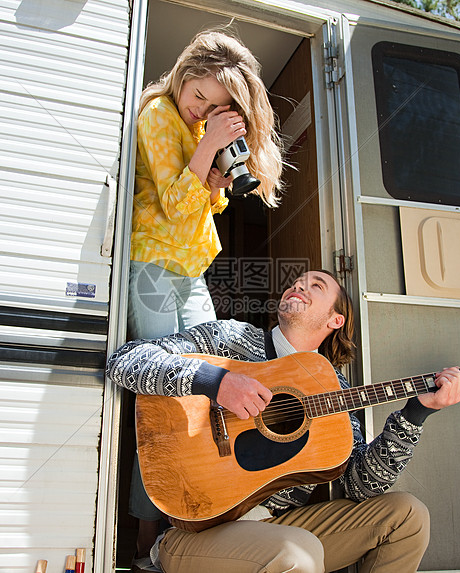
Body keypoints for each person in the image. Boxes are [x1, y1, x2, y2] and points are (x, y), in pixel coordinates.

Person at [107, 270, 460, 573]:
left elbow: (360, 487)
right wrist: (216, 382)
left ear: (335, 320)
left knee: (407, 515)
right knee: (298, 553)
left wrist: (415, 414)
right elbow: (125, 360)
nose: (298, 286)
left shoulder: (335, 391)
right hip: (197, 532)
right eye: (297, 281)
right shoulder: (231, 340)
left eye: (315, 286)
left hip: (279, 525)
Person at [126, 28, 285, 568]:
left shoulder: (195, 128)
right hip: (152, 265)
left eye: (215, 107)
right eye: (199, 96)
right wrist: (207, 145)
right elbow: (172, 204)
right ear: (184, 71)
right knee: (164, 400)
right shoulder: (158, 116)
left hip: (190, 269)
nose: (202, 109)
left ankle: (187, 526)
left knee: (203, 393)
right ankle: (146, 538)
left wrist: (218, 173)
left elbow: (204, 206)